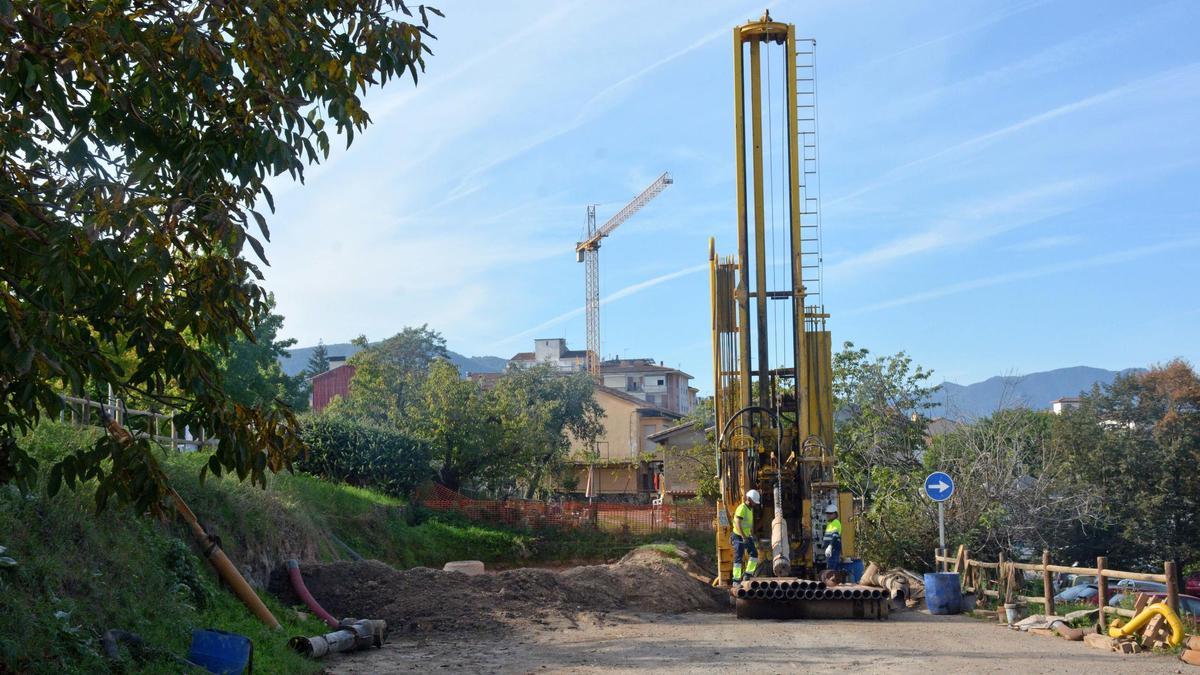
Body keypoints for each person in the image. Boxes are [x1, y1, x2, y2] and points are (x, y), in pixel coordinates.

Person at [732, 489, 761, 584]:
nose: (755, 504)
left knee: (754, 554)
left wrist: (751, 535)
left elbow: (748, 524)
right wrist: (743, 537)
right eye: (754, 502)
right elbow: (737, 523)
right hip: (738, 536)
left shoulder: (749, 509)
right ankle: (736, 580)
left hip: (746, 536)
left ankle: (747, 574)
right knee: (738, 558)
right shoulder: (742, 508)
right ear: (748, 499)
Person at [822, 502, 842, 572]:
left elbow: (835, 536)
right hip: (830, 550)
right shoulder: (830, 523)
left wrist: (830, 546)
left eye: (830, 513)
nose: (828, 515)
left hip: (833, 549)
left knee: (832, 569)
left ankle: (833, 582)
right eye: (827, 513)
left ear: (835, 514)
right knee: (831, 568)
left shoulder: (836, 522)